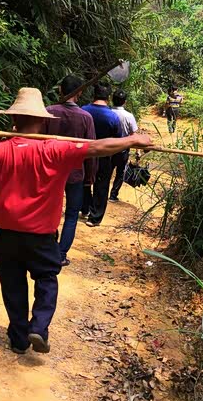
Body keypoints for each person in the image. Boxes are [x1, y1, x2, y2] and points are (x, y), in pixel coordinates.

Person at [0, 87, 151, 355]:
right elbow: (98, 147)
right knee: (47, 277)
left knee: (12, 285)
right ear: (44, 120)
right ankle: (38, 326)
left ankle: (18, 339)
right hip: (41, 234)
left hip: (6, 234)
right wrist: (131, 140)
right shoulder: (56, 150)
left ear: (13, 120)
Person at [44, 74, 97, 267]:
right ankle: (60, 253)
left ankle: (47, 250)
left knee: (48, 210)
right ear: (80, 92)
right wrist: (89, 176)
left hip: (50, 171)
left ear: (60, 90)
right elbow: (90, 150)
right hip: (75, 173)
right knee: (72, 214)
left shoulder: (49, 112)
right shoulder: (85, 118)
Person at [81, 83, 120, 227]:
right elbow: (118, 138)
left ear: (94, 94)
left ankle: (84, 208)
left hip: (85, 152)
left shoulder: (83, 111)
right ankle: (94, 217)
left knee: (84, 181)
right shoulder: (112, 116)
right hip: (104, 154)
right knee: (101, 185)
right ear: (108, 97)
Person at [109, 89, 138, 202]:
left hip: (108, 148)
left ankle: (102, 192)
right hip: (123, 149)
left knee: (107, 171)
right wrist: (137, 151)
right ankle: (113, 195)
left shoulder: (108, 113)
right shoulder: (129, 116)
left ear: (112, 99)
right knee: (120, 172)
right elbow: (133, 134)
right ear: (125, 102)